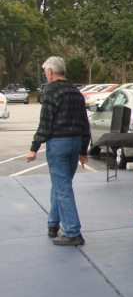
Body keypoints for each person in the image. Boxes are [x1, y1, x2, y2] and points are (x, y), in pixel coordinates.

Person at [26, 56, 90, 246]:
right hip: (76, 142)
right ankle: (53, 224)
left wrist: (34, 147)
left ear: (50, 72)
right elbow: (84, 123)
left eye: (45, 71)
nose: (45, 74)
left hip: (58, 144)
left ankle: (72, 232)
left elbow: (45, 123)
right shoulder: (76, 92)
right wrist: (84, 150)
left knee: (62, 187)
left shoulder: (50, 90)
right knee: (61, 184)